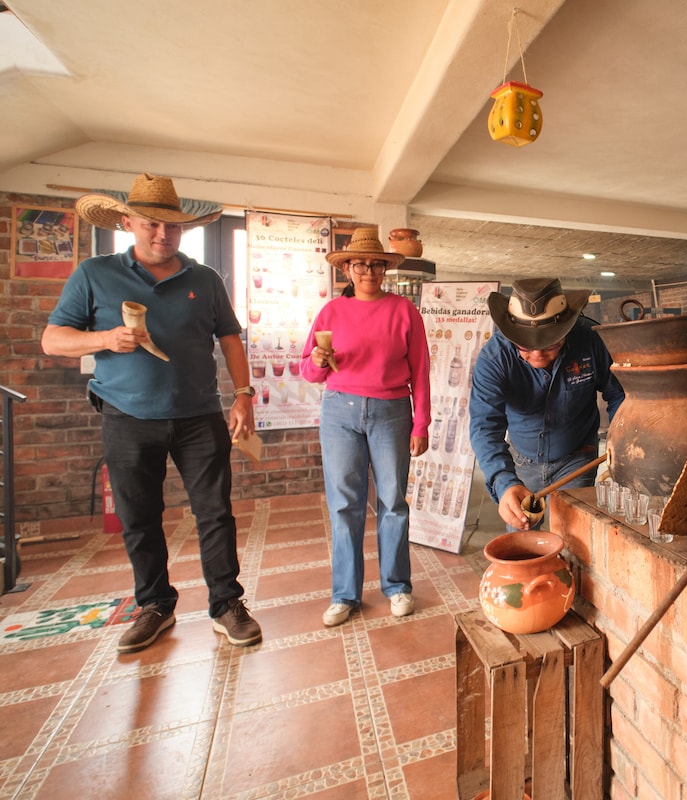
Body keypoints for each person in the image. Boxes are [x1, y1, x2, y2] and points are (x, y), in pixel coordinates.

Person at [41, 173, 262, 653]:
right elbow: (52, 339)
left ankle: (226, 603)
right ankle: (155, 605)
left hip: (199, 415)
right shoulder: (94, 274)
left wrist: (243, 394)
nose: (163, 234)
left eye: (173, 226)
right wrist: (105, 339)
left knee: (215, 513)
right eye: (151, 224)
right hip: (126, 415)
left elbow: (229, 339)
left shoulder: (204, 279)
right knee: (139, 516)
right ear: (127, 223)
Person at [301, 226, 431, 628]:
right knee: (344, 504)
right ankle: (344, 594)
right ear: (347, 269)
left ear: (385, 269)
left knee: (392, 501)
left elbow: (421, 370)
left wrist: (421, 423)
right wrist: (318, 361)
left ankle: (397, 586)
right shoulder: (331, 312)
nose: (369, 272)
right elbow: (309, 371)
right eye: (360, 264)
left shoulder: (404, 311)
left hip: (392, 410)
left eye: (376, 265)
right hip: (340, 412)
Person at [469, 277, 624, 530]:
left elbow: (619, 394)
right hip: (522, 463)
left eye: (550, 344)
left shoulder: (592, 341)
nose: (538, 354)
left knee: (573, 535)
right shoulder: (495, 357)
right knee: (523, 538)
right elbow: (485, 425)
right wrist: (504, 481)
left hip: (577, 458)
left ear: (566, 329)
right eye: (525, 346)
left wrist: (620, 439)